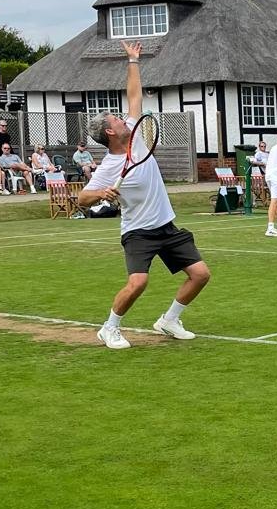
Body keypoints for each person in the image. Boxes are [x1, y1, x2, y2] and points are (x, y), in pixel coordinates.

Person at [77, 40, 210, 348]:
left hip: (166, 225)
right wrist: (101, 193)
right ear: (110, 132)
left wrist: (133, 61)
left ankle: (169, 320)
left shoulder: (136, 136)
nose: (124, 119)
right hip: (138, 232)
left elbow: (134, 96)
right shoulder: (109, 166)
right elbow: (82, 199)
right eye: (117, 120)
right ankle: (109, 328)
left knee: (200, 275)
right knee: (139, 282)